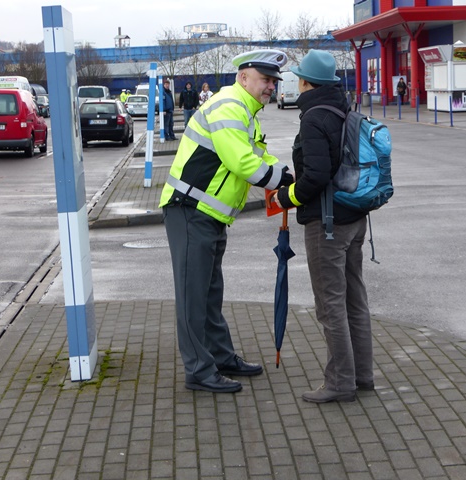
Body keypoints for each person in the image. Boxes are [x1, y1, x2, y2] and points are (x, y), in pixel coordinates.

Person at [160, 49, 293, 393]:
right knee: (193, 296)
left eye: (273, 81)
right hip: (190, 210)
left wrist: (287, 173)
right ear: (243, 77)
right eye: (265, 80)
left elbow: (260, 155)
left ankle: (220, 355)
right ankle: (199, 370)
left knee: (208, 293)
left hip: (209, 214)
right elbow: (243, 162)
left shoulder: (247, 112)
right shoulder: (230, 107)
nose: (270, 87)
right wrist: (282, 181)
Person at [273, 50, 373, 404]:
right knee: (354, 300)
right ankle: (362, 375)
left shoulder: (313, 117)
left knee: (331, 305)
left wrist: (287, 198)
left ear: (305, 82)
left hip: (326, 224)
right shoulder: (343, 108)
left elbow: (316, 175)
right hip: (355, 219)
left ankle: (340, 383)